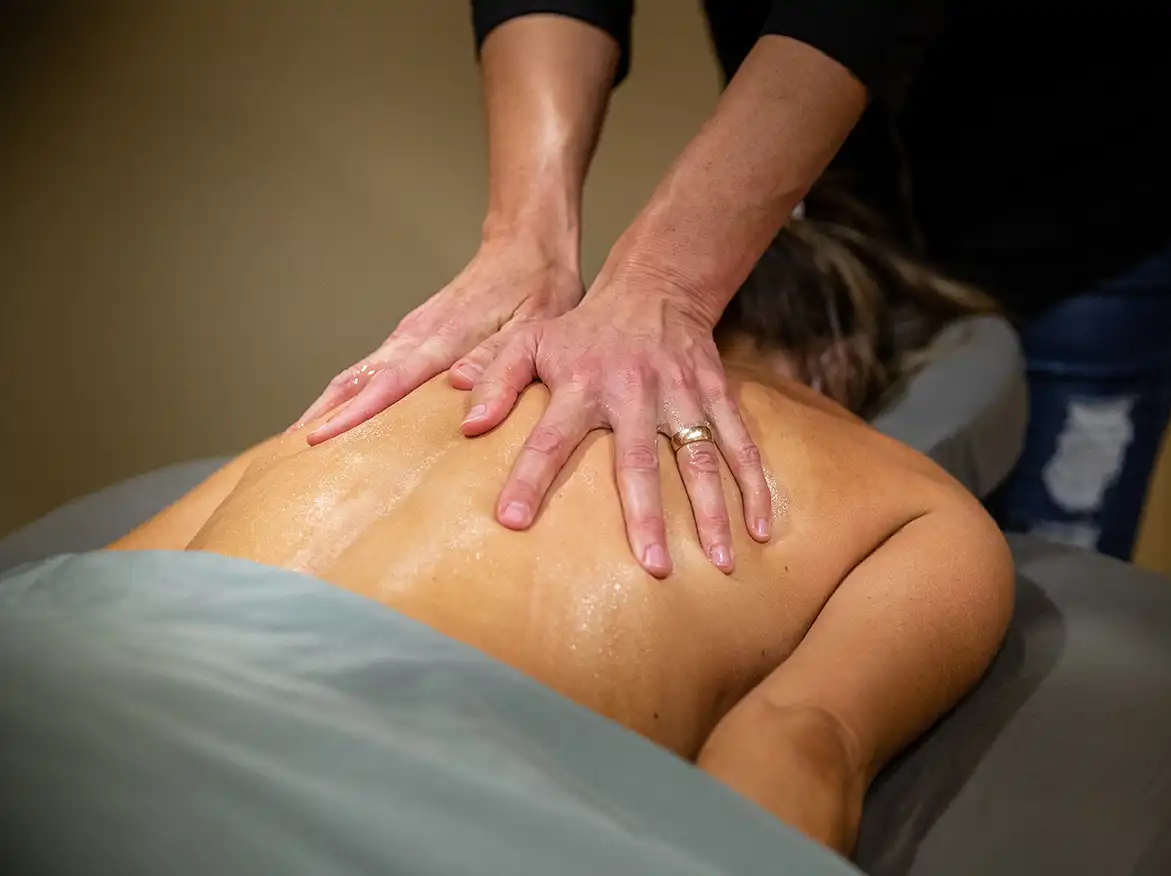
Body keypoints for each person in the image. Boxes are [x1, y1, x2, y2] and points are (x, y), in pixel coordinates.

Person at [108, 193, 1015, 854]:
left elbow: (102, 597)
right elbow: (793, 751)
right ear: (843, 359)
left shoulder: (401, 389)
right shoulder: (911, 504)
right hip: (362, 805)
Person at [293, 2, 1171, 568]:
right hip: (849, 175)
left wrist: (665, 278)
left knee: (1044, 569)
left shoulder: (928, 557)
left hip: (1094, 168)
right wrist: (523, 238)